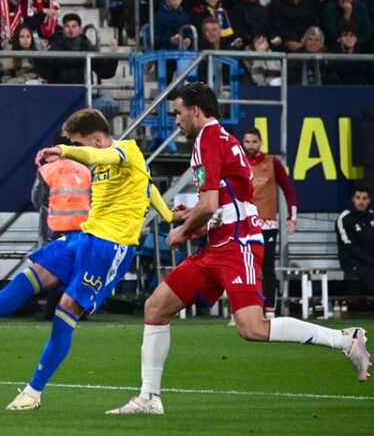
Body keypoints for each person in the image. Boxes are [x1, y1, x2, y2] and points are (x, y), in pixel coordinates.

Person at [107, 82, 371, 416]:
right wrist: (198, 223)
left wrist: (181, 231)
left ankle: (346, 340)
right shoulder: (225, 140)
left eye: (178, 113)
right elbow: (226, 203)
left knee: (253, 328)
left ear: (196, 111)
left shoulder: (206, 140)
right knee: (156, 307)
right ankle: (149, 398)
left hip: (237, 245)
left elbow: (211, 203)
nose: (176, 121)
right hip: (220, 241)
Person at [0, 109, 189, 410]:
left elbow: (100, 159)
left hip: (110, 248)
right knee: (30, 275)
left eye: (79, 144)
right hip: (83, 237)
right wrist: (168, 215)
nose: (76, 151)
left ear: (97, 139)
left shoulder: (126, 151)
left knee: (66, 309)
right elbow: (148, 187)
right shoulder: (112, 163)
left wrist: (63, 150)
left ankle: (33, 393)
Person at [30, 133, 91, 320]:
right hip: (82, 228)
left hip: (54, 229)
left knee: (54, 270)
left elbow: (36, 199)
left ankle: (52, 311)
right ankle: (80, 312)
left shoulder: (48, 170)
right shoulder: (86, 169)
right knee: (78, 271)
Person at [243, 128, 297, 317]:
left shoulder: (273, 163)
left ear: (261, 142)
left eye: (254, 142)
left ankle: (270, 311)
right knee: (244, 268)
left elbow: (288, 190)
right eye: (247, 142)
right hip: (244, 224)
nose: (250, 146)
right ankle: (244, 311)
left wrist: (292, 218)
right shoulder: (238, 163)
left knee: (267, 267)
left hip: (267, 224)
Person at [37, 13, 120, 122]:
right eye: (67, 26)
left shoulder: (88, 47)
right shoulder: (54, 46)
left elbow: (105, 73)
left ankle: (92, 135)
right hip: (59, 97)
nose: (70, 29)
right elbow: (45, 73)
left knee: (110, 104)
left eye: (74, 26)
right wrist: (44, 56)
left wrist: (113, 56)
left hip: (83, 97)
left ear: (80, 29)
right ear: (63, 29)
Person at [336, 186, 374, 296]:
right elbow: (350, 246)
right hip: (351, 260)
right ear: (353, 199)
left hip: (370, 259)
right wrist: (371, 261)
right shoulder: (344, 218)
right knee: (369, 273)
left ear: (369, 200)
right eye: (358, 198)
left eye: (364, 198)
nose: (361, 202)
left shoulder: (371, 216)